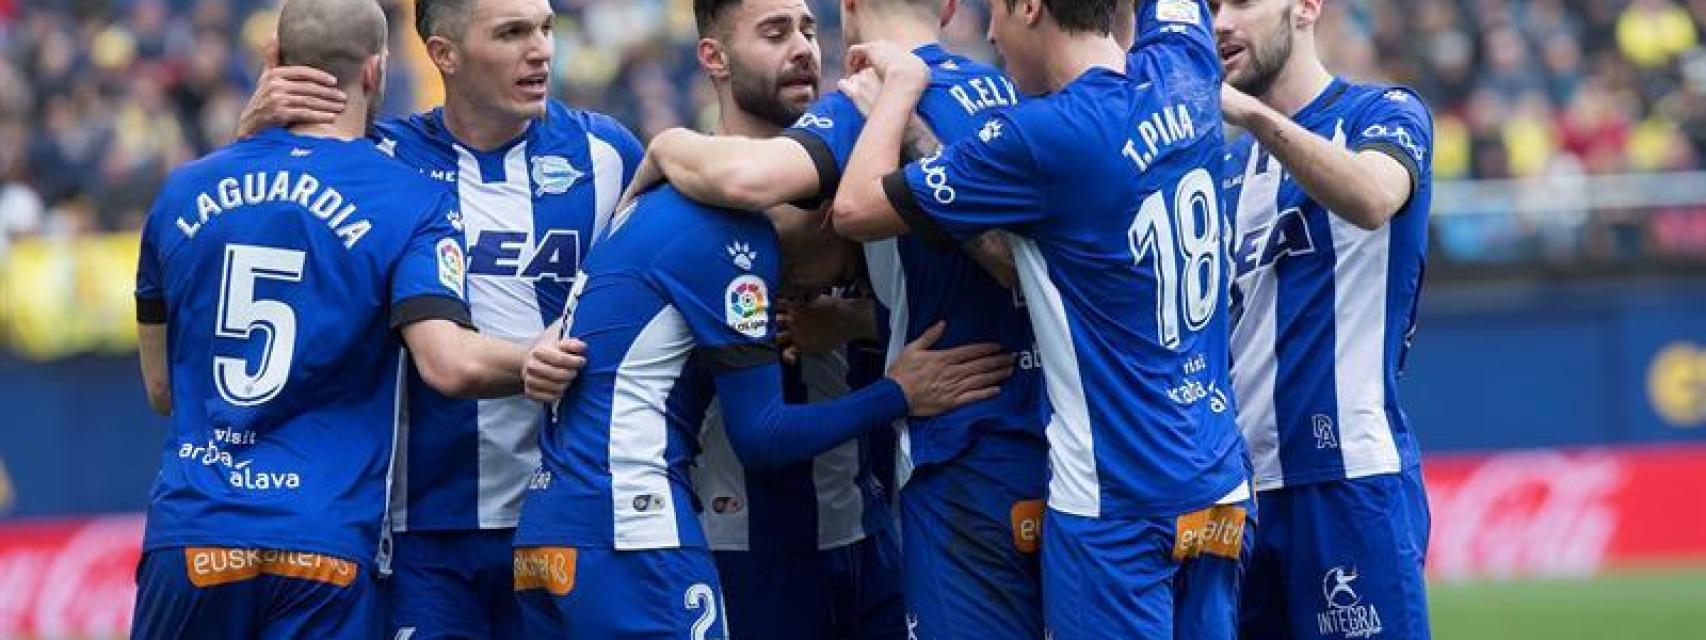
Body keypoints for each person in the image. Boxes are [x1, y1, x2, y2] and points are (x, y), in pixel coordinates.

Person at [128, 0, 583, 637]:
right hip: (324, 538)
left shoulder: (180, 191)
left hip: (194, 531)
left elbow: (161, 389)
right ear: (377, 70)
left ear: (273, 61)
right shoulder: (410, 196)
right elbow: (447, 361)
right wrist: (539, 355)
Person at [830, 1, 1252, 638]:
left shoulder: (1046, 136)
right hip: (1218, 486)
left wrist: (900, 89)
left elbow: (856, 207)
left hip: (1117, 506)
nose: (992, 33)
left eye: (998, 11)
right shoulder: (1185, 65)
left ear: (1030, 8)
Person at [630, 0, 1051, 635]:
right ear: (713, 58)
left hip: (879, 520)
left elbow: (943, 279)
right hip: (749, 538)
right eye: (775, 33)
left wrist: (663, 143)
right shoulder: (692, 212)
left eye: (806, 29)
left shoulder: (862, 130)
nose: (803, 47)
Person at [235, 0, 643, 635]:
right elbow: (256, 245)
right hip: (422, 528)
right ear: (443, 54)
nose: (540, 50)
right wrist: (251, 139)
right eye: (511, 33)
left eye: (545, 29)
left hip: (568, 515)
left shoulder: (608, 154)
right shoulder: (380, 161)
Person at [1211, 0, 1435, 638]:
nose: (1221, 22)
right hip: (1239, 494)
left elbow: (1372, 198)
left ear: (1306, 8)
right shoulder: (1224, 168)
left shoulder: (1384, 113)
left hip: (1347, 479)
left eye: (1243, 3)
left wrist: (1252, 116)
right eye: (1212, 7)